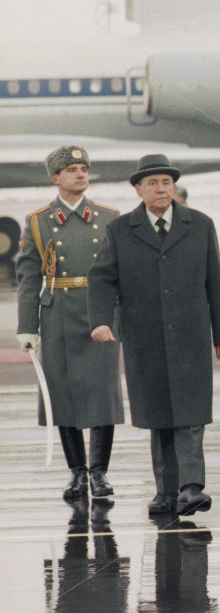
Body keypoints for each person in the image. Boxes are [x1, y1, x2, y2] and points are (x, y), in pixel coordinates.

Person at [88, 154, 220, 516]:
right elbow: (102, 279)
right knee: (159, 416)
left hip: (191, 334)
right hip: (145, 336)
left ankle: (191, 487)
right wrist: (101, 321)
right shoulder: (121, 230)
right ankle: (166, 491)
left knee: (190, 412)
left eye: (166, 182)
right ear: (138, 189)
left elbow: (215, 281)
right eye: (152, 183)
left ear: (174, 187)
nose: (161, 189)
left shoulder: (200, 225)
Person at [16, 146, 124, 501]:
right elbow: (30, 277)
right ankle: (77, 473)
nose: (81, 174)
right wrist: (27, 327)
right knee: (62, 394)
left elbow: (121, 274)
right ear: (55, 178)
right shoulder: (39, 221)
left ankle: (100, 472)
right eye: (72, 169)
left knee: (103, 392)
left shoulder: (109, 218)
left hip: (100, 312)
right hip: (58, 311)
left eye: (83, 168)